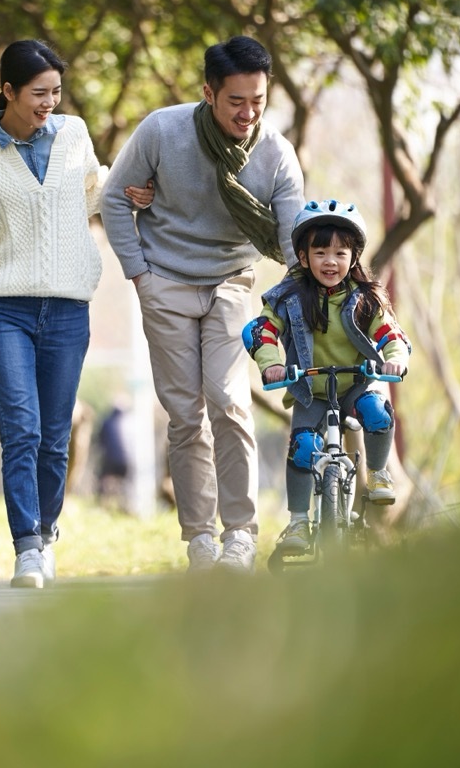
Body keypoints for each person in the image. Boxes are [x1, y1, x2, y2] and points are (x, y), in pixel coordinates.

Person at [0, 40, 153, 588]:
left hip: (67, 309)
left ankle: (48, 531)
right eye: (38, 93)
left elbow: (89, 191)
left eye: (56, 91)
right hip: (4, 309)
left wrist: (127, 193)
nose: (49, 103)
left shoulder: (73, 134)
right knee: (22, 429)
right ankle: (26, 546)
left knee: (56, 435)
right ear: (7, 91)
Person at [100, 35, 305, 574]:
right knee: (186, 415)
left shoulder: (275, 153)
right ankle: (200, 539)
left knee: (230, 401)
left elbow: (292, 238)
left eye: (258, 100)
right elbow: (114, 199)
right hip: (163, 282)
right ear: (208, 94)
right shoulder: (163, 130)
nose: (248, 112)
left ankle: (240, 533)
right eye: (236, 100)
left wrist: (311, 287)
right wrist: (139, 275)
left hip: (231, 283)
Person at [242, 199, 411, 553]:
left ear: (354, 257)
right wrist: (270, 363)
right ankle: (299, 523)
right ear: (303, 258)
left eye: (340, 253)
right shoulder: (288, 297)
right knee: (303, 448)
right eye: (320, 252)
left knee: (378, 413)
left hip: (356, 383)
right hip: (312, 390)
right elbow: (260, 331)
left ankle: (378, 473)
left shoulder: (366, 298)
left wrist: (393, 359)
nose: (330, 262)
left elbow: (392, 335)